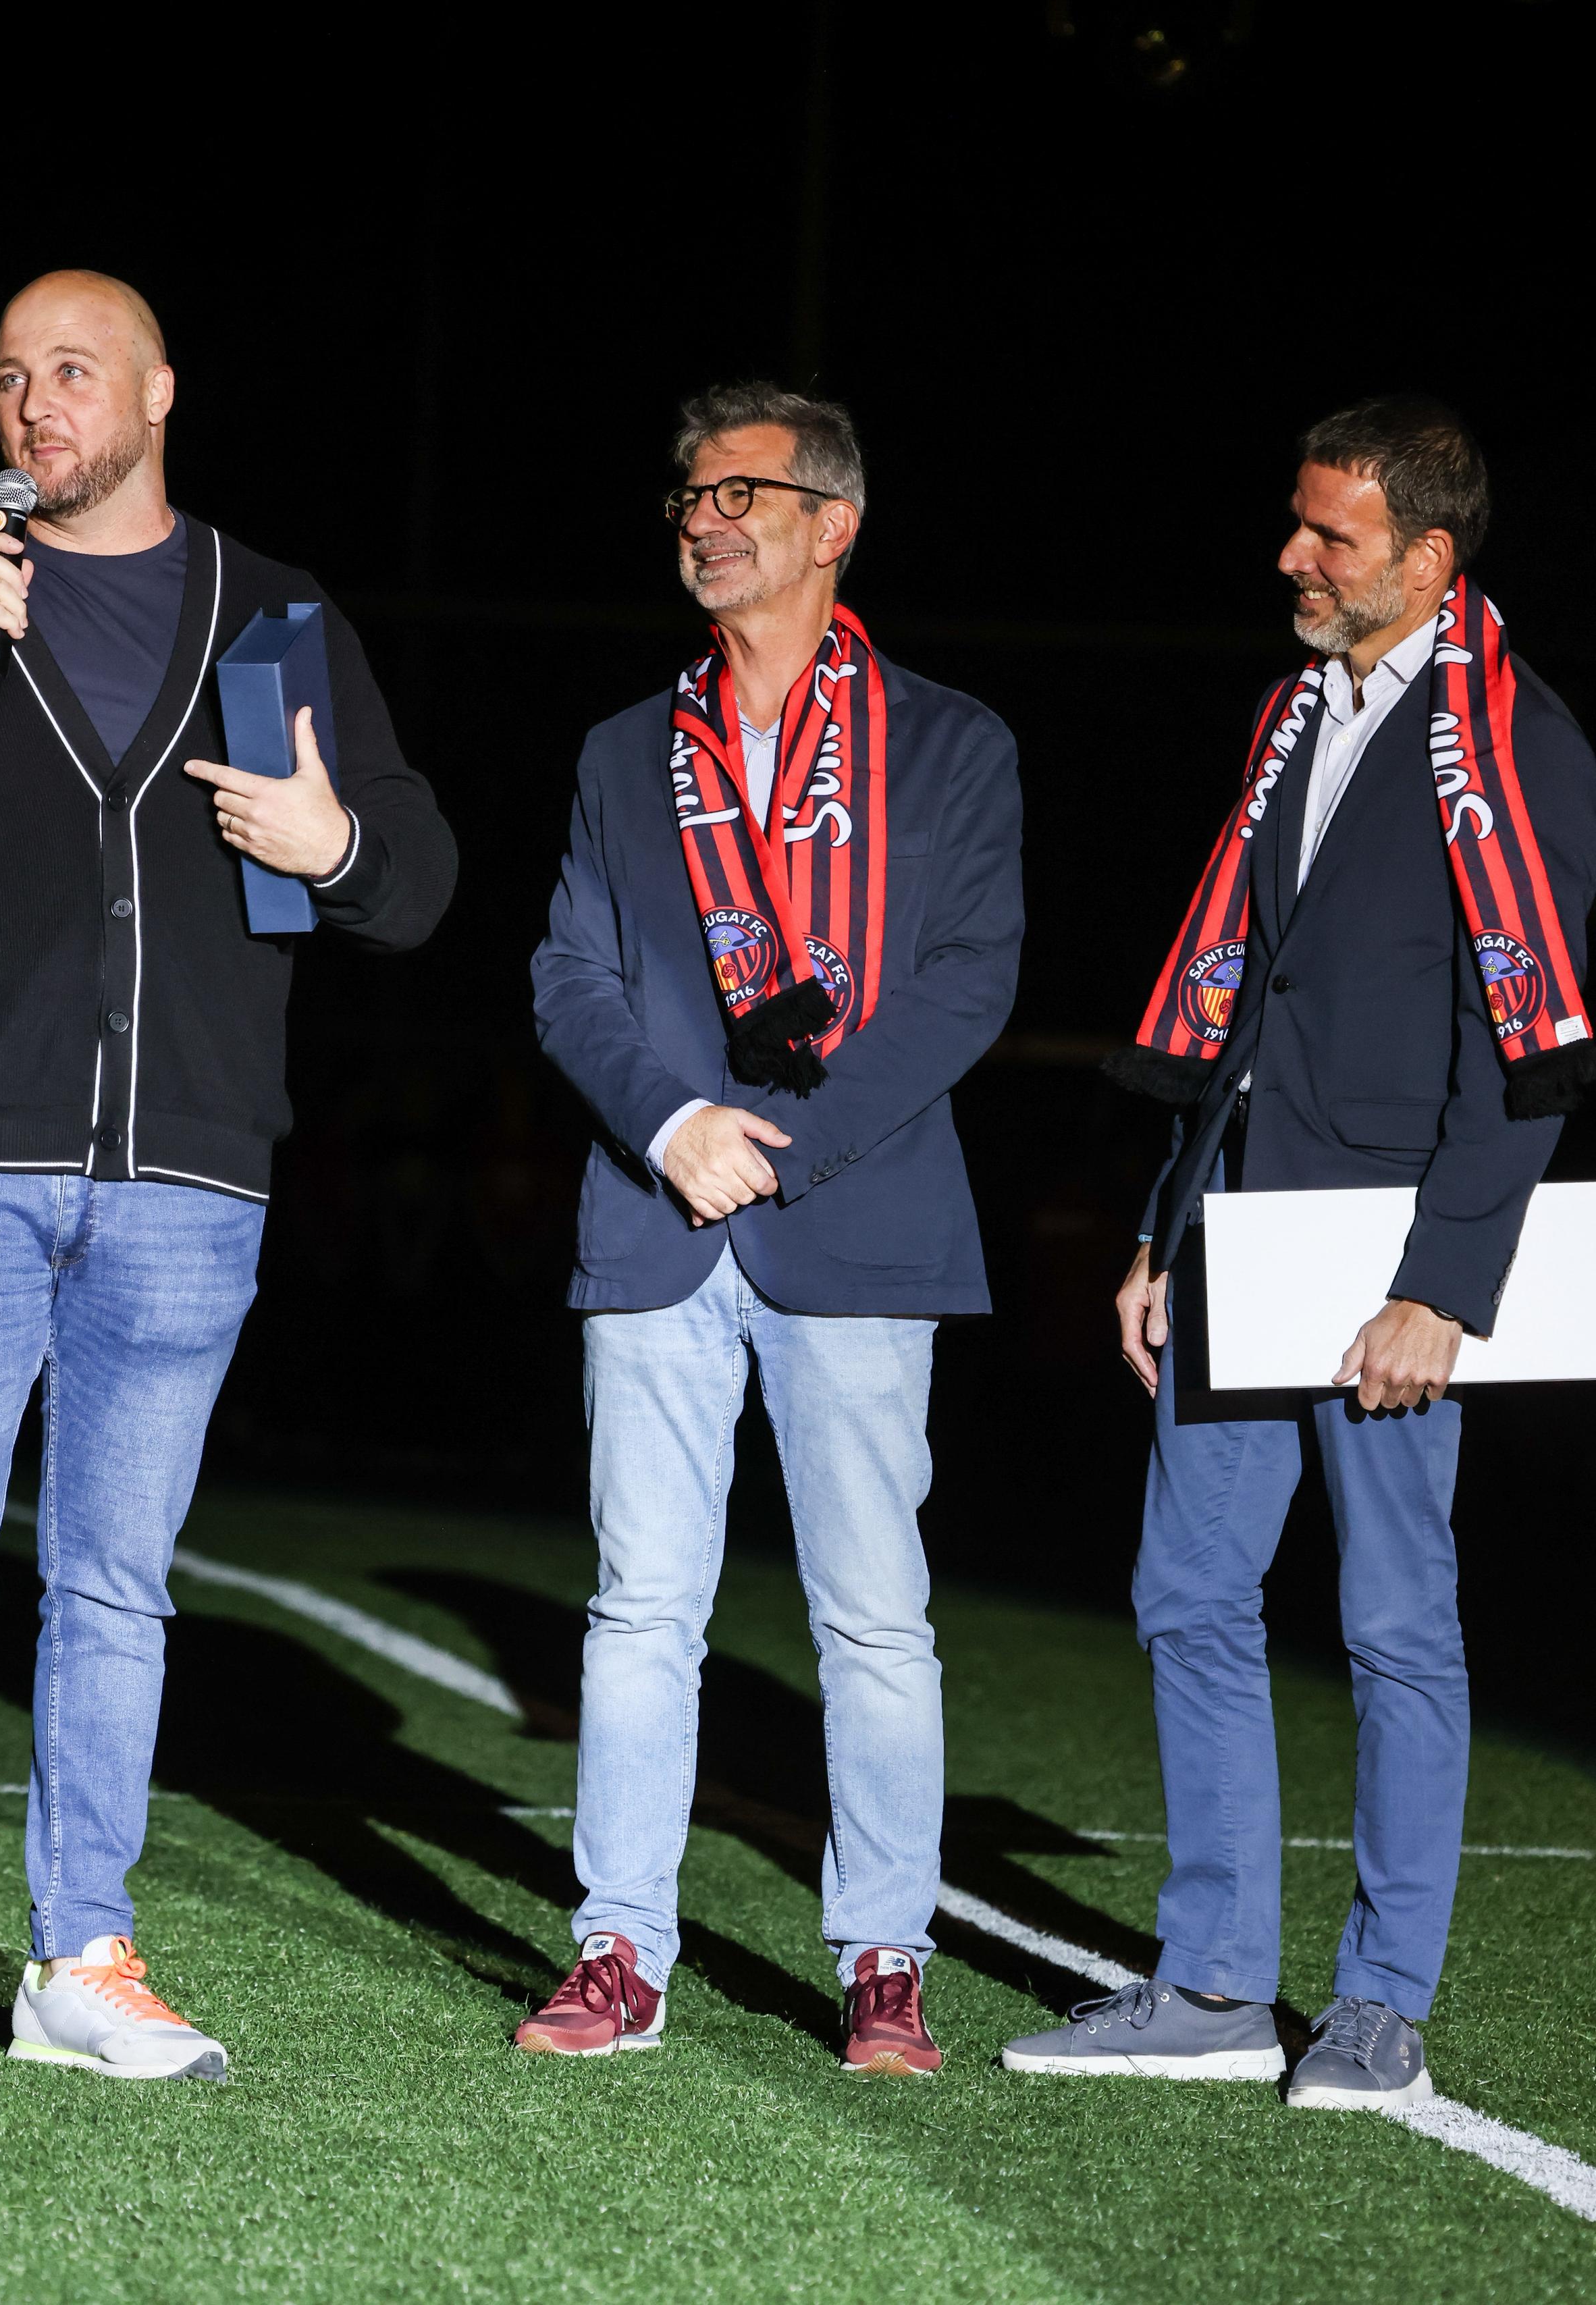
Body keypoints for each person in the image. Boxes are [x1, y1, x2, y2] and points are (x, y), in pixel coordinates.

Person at [0, 269, 455, 2084]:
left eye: (71, 372)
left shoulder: (277, 605)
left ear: (155, 394)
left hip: (187, 1176)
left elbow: (421, 879)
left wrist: (341, 838)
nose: (34, 404)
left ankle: (80, 1954)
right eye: (7, 378)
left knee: (118, 1584)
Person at [1002, 398, 1596, 2109]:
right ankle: (1206, 1984)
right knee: (1187, 1593)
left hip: (1393, 1257)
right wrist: (1160, 1227)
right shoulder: (1294, 715)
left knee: (1397, 1618)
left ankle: (1380, 2006)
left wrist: (1446, 1287)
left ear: (1427, 557)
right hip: (1245, 1227)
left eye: (1330, 534)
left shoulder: (1520, 740)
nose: (1292, 555)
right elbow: (1242, 997)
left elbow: (1531, 1042)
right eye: (1297, 522)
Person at [520, 385, 1023, 2074]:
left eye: (743, 491)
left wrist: (782, 1149)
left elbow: (968, 988)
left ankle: (884, 1952)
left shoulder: (950, 743)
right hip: (656, 1218)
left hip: (852, 1222)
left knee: (873, 1616)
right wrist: (672, 1125)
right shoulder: (616, 753)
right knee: (638, 1608)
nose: (704, 516)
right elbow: (567, 978)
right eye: (686, 493)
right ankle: (618, 1950)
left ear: (836, 522)